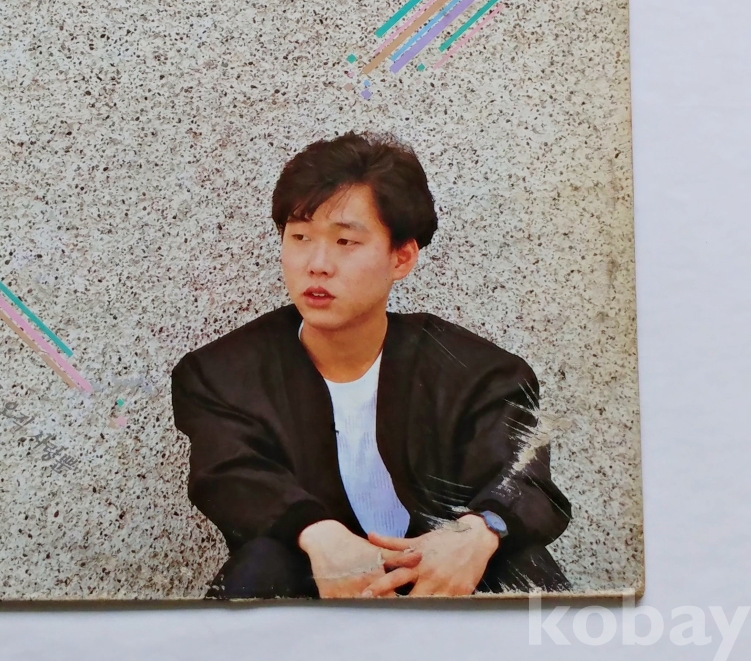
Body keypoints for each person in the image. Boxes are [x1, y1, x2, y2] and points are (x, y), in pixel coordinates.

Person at [171, 131, 571, 599]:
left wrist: (479, 532)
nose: (317, 264)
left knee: (520, 562)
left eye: (345, 241)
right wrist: (319, 534)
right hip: (311, 587)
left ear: (401, 257)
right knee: (262, 562)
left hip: (447, 588)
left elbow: (524, 479)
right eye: (300, 237)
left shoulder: (479, 373)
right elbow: (230, 473)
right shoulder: (221, 375)